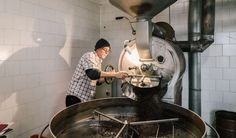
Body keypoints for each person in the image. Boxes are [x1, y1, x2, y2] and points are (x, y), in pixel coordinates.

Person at [66, 38, 128, 107]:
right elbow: (93, 74)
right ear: (98, 49)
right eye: (105, 50)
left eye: (108, 51)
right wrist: (115, 74)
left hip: (86, 99)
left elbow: (97, 81)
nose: (107, 53)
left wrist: (108, 77)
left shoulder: (98, 62)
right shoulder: (89, 56)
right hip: (76, 97)